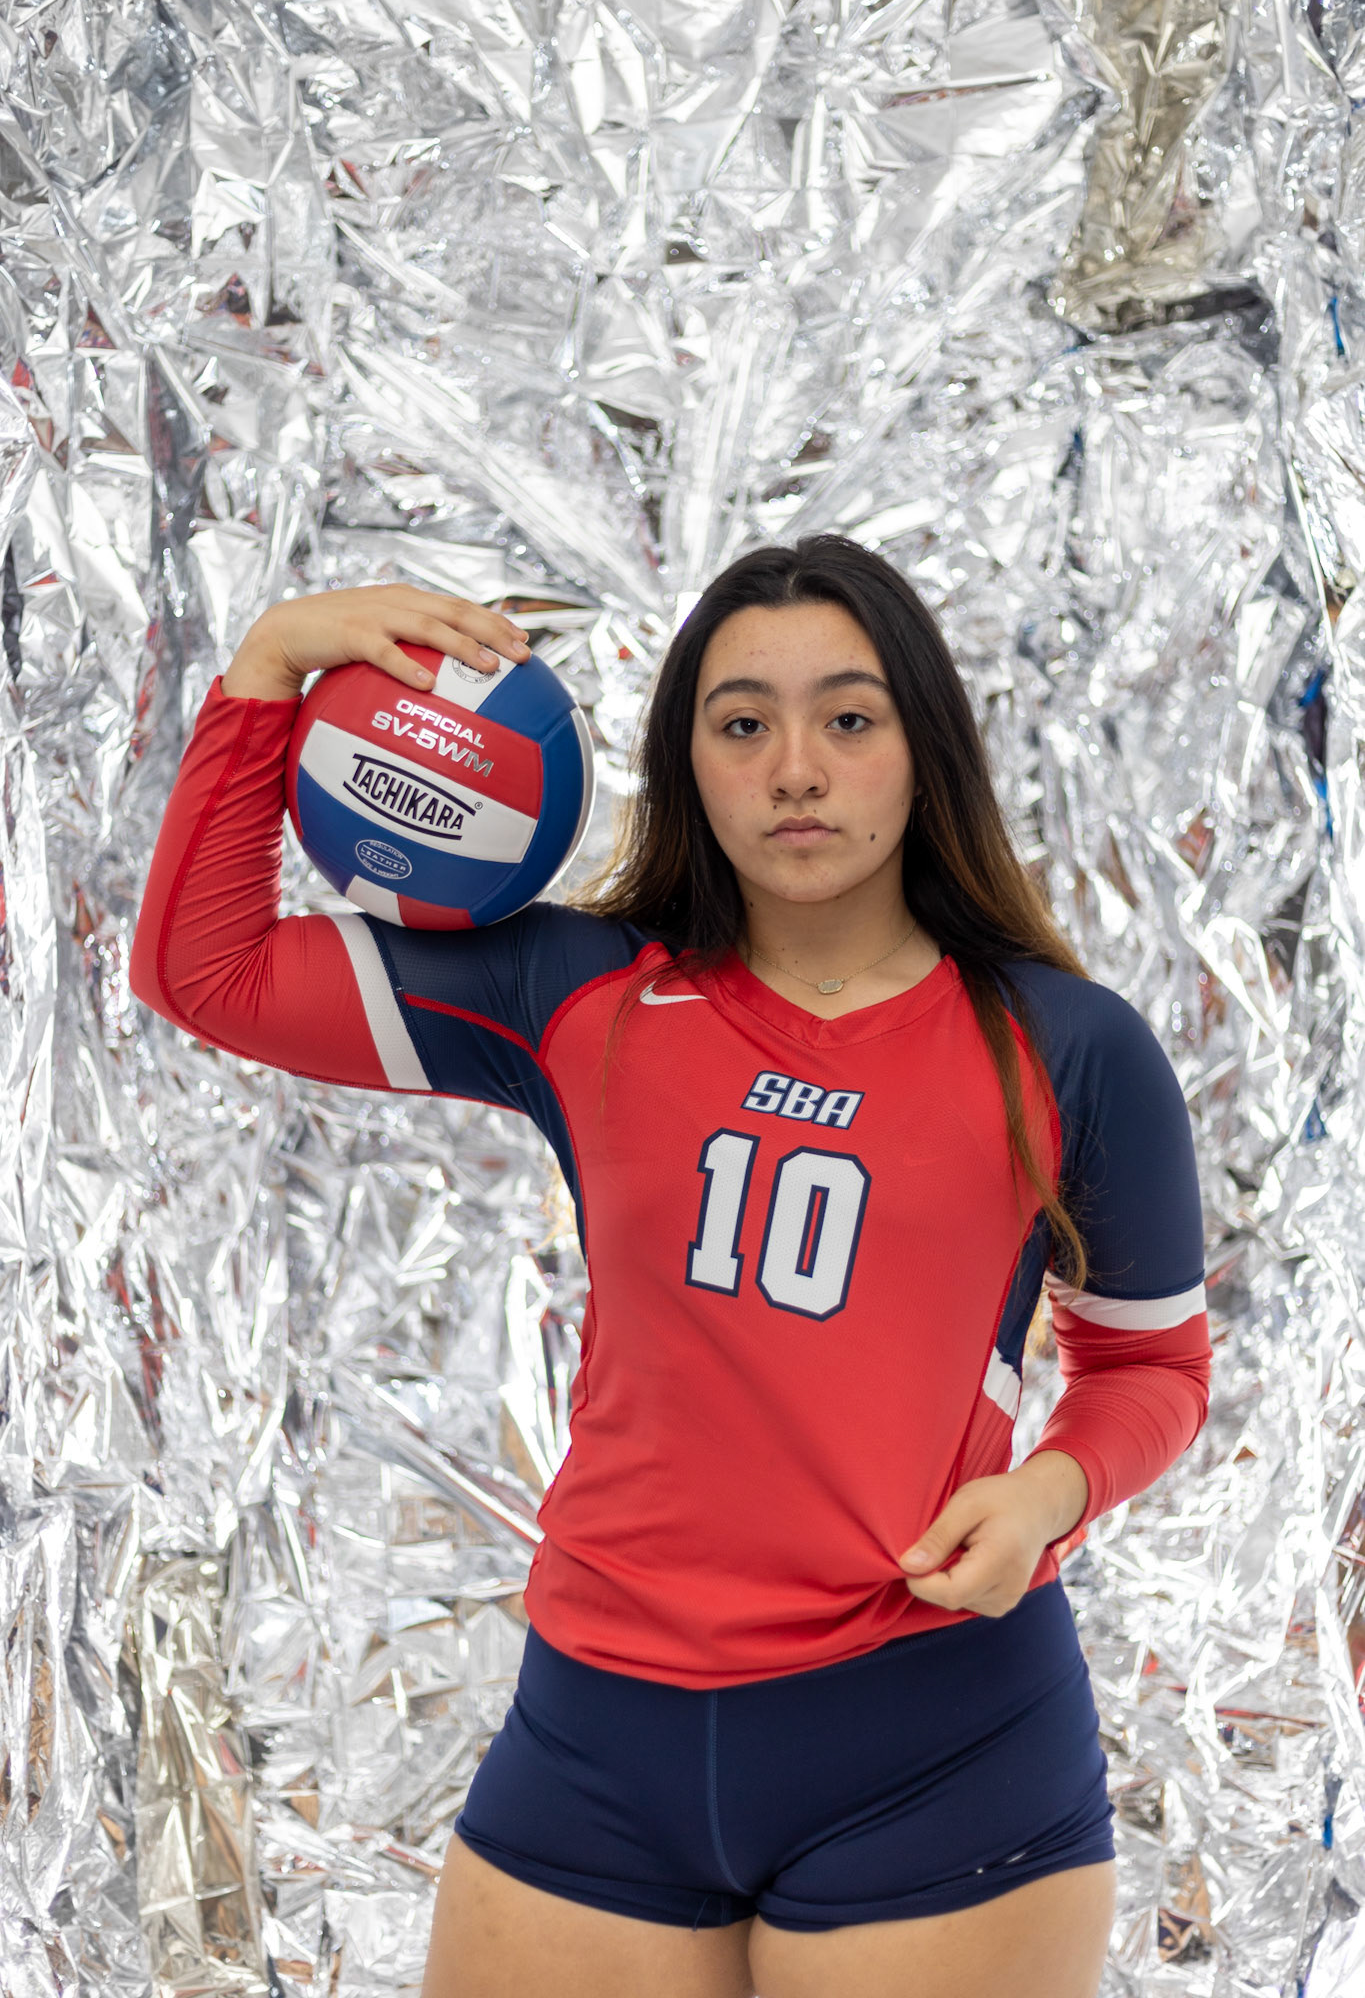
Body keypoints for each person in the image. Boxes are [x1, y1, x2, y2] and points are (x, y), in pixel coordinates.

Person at [130, 534, 1212, 1998]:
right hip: (595, 1745)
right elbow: (212, 973)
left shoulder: (1068, 1048)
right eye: (740, 723)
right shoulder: (575, 990)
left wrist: (1050, 1491)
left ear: (923, 747)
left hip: (930, 1744)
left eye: (848, 716)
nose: (795, 768)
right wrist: (270, 666)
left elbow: (1149, 1365)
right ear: (682, 759)